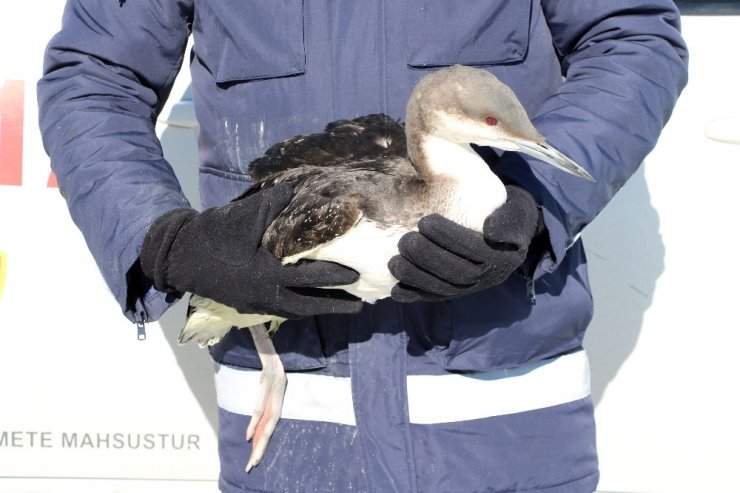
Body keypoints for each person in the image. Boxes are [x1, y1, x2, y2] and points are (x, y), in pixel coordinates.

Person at [38, 1, 688, 492]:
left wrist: (531, 202)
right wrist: (166, 241)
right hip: (288, 439)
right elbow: (94, 78)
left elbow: (632, 40)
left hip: (504, 437)